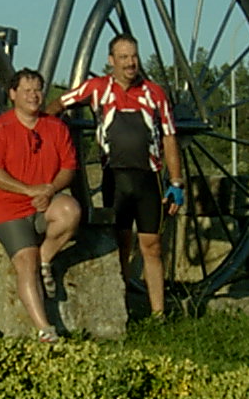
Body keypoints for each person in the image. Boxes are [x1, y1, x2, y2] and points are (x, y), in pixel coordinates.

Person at [46, 33, 183, 318]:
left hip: (149, 178)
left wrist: (177, 182)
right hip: (115, 178)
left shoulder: (154, 92)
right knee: (121, 243)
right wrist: (42, 129)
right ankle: (125, 310)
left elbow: (170, 136)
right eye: (123, 57)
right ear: (111, 61)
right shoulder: (97, 89)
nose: (130, 63)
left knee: (152, 245)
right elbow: (60, 103)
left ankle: (158, 314)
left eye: (133, 56)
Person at [0, 67, 81, 341]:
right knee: (26, 261)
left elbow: (69, 168)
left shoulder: (56, 128)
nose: (34, 96)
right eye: (27, 91)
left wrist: (50, 189)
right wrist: (27, 189)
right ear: (13, 94)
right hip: (8, 208)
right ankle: (45, 329)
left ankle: (46, 257)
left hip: (44, 202)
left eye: (37, 90)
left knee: (70, 211)